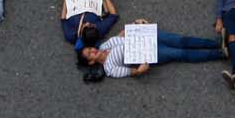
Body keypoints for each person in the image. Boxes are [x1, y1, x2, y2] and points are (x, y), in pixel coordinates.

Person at [79, 22, 226, 78]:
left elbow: (120, 36)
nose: (93, 50)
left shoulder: (104, 45)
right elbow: (131, 72)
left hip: (148, 36)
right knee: (180, 53)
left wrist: (136, 24)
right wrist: (141, 70)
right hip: (150, 53)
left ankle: (216, 43)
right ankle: (219, 54)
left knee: (181, 40)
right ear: (91, 62)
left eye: (90, 48)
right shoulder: (109, 68)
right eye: (89, 54)